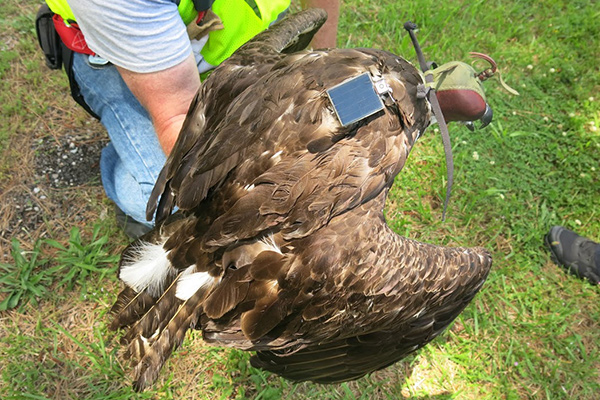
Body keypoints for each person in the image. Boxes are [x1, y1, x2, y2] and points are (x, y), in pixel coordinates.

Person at [39, 0, 340, 238]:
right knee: (169, 203)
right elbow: (179, 117)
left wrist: (325, 66)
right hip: (125, 61)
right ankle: (124, 157)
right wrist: (259, 205)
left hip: (232, 40)